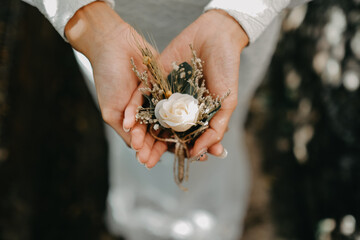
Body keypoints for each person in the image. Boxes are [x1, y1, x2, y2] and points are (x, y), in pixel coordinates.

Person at [21, 0, 310, 239]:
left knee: (219, 129)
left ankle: (208, 218)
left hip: (232, 32)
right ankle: (145, 216)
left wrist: (238, 16)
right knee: (129, 128)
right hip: (109, 30)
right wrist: (86, 16)